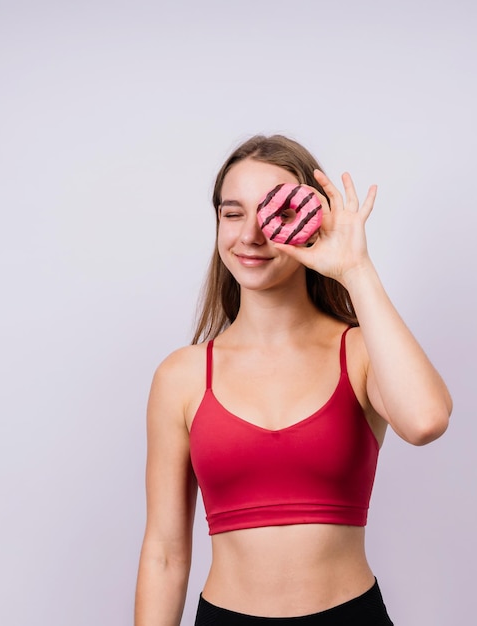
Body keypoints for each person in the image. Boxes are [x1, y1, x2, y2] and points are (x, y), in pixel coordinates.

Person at [134, 134, 452, 625]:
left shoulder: (361, 352)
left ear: (309, 221)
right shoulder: (182, 375)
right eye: (233, 213)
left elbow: (426, 421)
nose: (250, 236)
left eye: (273, 214)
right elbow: (164, 553)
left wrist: (355, 268)